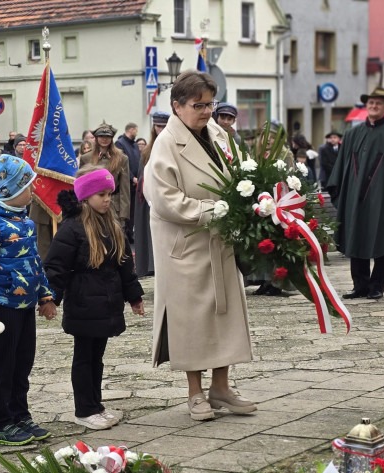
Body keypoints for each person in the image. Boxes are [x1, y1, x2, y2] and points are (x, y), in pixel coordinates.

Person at [145, 71, 258, 421]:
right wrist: (213, 210)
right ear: (177, 107)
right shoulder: (165, 145)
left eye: (210, 103)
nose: (207, 111)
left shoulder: (220, 134)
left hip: (221, 241)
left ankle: (221, 387)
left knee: (223, 316)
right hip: (187, 245)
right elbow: (165, 200)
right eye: (199, 105)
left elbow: (239, 175)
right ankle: (195, 392)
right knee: (191, 322)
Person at [44, 165, 145, 430]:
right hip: (84, 301)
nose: (107, 199)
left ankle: (96, 405)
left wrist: (134, 296)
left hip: (106, 302)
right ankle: (84, 409)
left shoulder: (112, 225)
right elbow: (56, 267)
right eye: (101, 194)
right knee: (84, 357)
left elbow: (124, 264)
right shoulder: (71, 228)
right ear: (86, 197)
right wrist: (50, 299)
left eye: (109, 193)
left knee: (96, 357)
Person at [0, 154, 56, 445]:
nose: (33, 191)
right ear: (11, 190)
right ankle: (0, 422)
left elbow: (34, 263)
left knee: (22, 363)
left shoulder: (24, 222)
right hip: (2, 307)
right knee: (1, 365)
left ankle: (20, 414)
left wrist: (45, 296)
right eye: (28, 186)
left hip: (24, 306)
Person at [326, 87, 384, 300]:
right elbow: (341, 167)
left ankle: (377, 286)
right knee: (355, 239)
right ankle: (359, 285)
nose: (374, 106)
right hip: (354, 199)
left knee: (381, 241)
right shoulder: (351, 135)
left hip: (383, 200)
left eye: (378, 103)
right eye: (371, 103)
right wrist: (342, 196)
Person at [133, 111, 168, 278]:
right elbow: (142, 175)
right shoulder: (147, 150)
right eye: (158, 126)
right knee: (150, 236)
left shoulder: (172, 146)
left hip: (167, 197)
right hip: (148, 199)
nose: (161, 129)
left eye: (164, 126)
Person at [82, 123, 130, 228]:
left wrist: (124, 214)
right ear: (96, 137)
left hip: (114, 206)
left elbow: (125, 188)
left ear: (112, 138)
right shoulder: (86, 158)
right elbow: (82, 186)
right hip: (92, 206)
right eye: (101, 136)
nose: (104, 139)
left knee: (115, 239)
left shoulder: (122, 158)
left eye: (108, 136)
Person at [115, 122, 141, 240]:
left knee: (133, 211)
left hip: (136, 184)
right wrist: (132, 178)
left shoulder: (135, 145)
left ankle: (130, 232)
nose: (137, 132)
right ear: (131, 130)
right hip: (126, 184)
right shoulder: (120, 144)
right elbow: (122, 164)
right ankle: (124, 232)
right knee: (126, 209)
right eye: (136, 130)